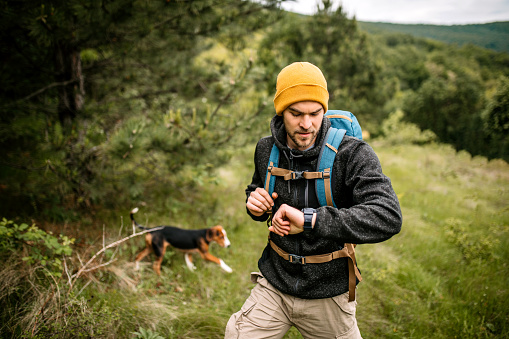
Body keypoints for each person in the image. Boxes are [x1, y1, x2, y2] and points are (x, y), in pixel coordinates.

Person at [225, 62, 402, 338]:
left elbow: (388, 215)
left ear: (325, 110)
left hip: (329, 293)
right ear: (280, 110)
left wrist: (310, 220)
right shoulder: (265, 149)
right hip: (275, 283)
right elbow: (257, 188)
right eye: (295, 114)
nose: (306, 125)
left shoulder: (352, 153)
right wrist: (255, 204)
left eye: (315, 113)